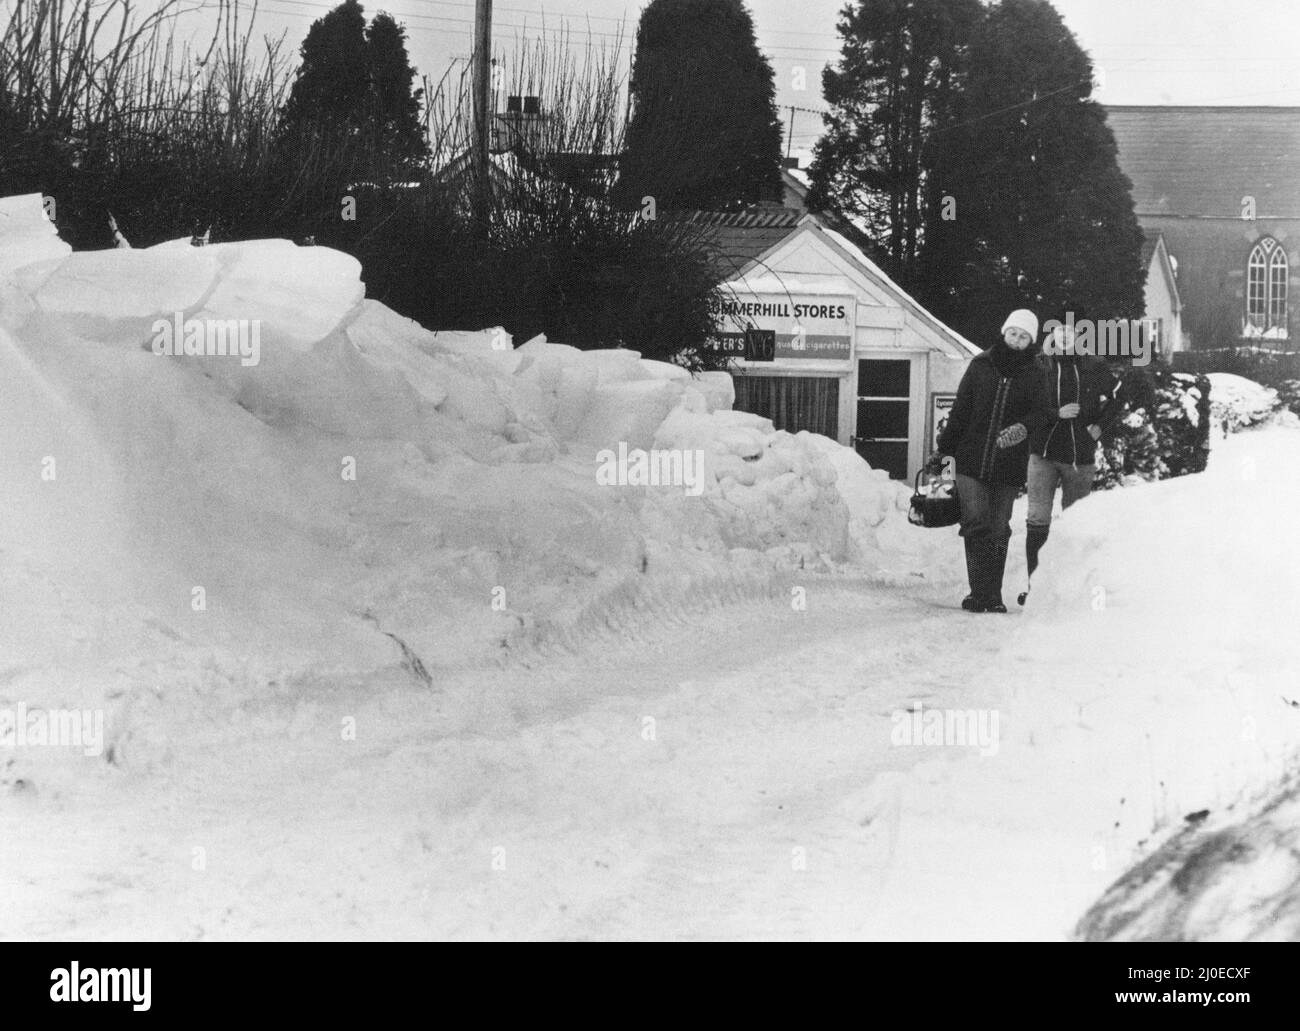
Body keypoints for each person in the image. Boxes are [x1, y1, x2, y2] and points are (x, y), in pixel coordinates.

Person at [933, 309, 1053, 613]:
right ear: (1004, 332)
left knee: (999, 527)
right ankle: (978, 593)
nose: (1016, 339)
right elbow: (961, 409)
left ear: (1031, 341)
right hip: (970, 459)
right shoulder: (980, 365)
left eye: (1024, 336)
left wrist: (1022, 428)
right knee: (975, 523)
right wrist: (944, 450)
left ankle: (994, 595)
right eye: (1013, 333)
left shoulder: (1036, 373)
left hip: (1008, 464)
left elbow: (1042, 412)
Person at [1019, 315, 1124, 604]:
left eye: (1070, 334)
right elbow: (1025, 405)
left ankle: (1071, 594)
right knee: (1037, 520)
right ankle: (1036, 591)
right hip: (1043, 455)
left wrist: (1100, 426)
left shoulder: (1094, 366)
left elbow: (1119, 396)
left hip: (1079, 459)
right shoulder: (1039, 365)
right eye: (1058, 333)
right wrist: (1056, 413)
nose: (1064, 339)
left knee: (1075, 524)